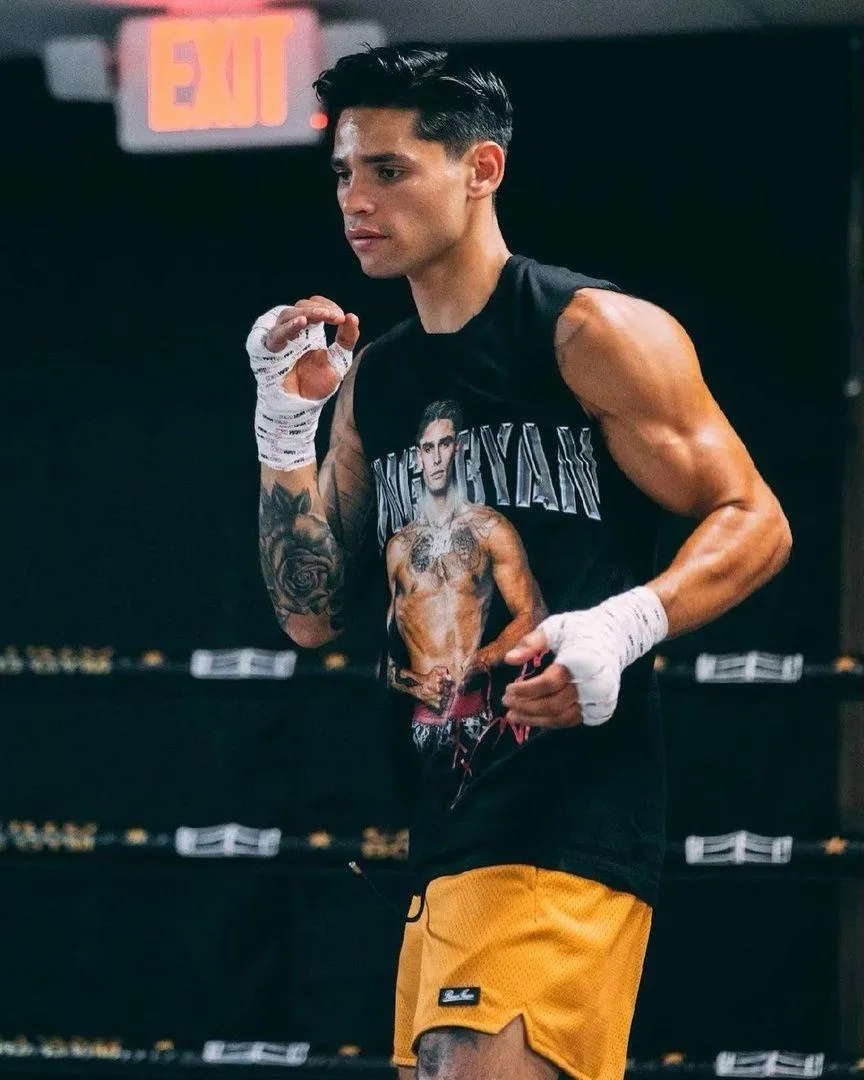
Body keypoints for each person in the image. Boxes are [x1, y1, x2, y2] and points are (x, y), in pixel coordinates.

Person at [248, 45, 791, 1080]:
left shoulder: (589, 333)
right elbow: (310, 612)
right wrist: (284, 430)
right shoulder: (382, 383)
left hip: (567, 818)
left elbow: (755, 518)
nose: (356, 199)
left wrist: (623, 624)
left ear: (480, 170)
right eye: (343, 174)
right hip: (442, 825)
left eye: (390, 171)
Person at [385, 398, 547, 773]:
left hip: (481, 715)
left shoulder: (491, 529)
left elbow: (534, 613)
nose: (437, 457)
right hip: (419, 722)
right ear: (417, 457)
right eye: (428, 448)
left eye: (445, 444)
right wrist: (416, 683)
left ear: (459, 448)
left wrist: (479, 661)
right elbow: (383, 654)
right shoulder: (397, 548)